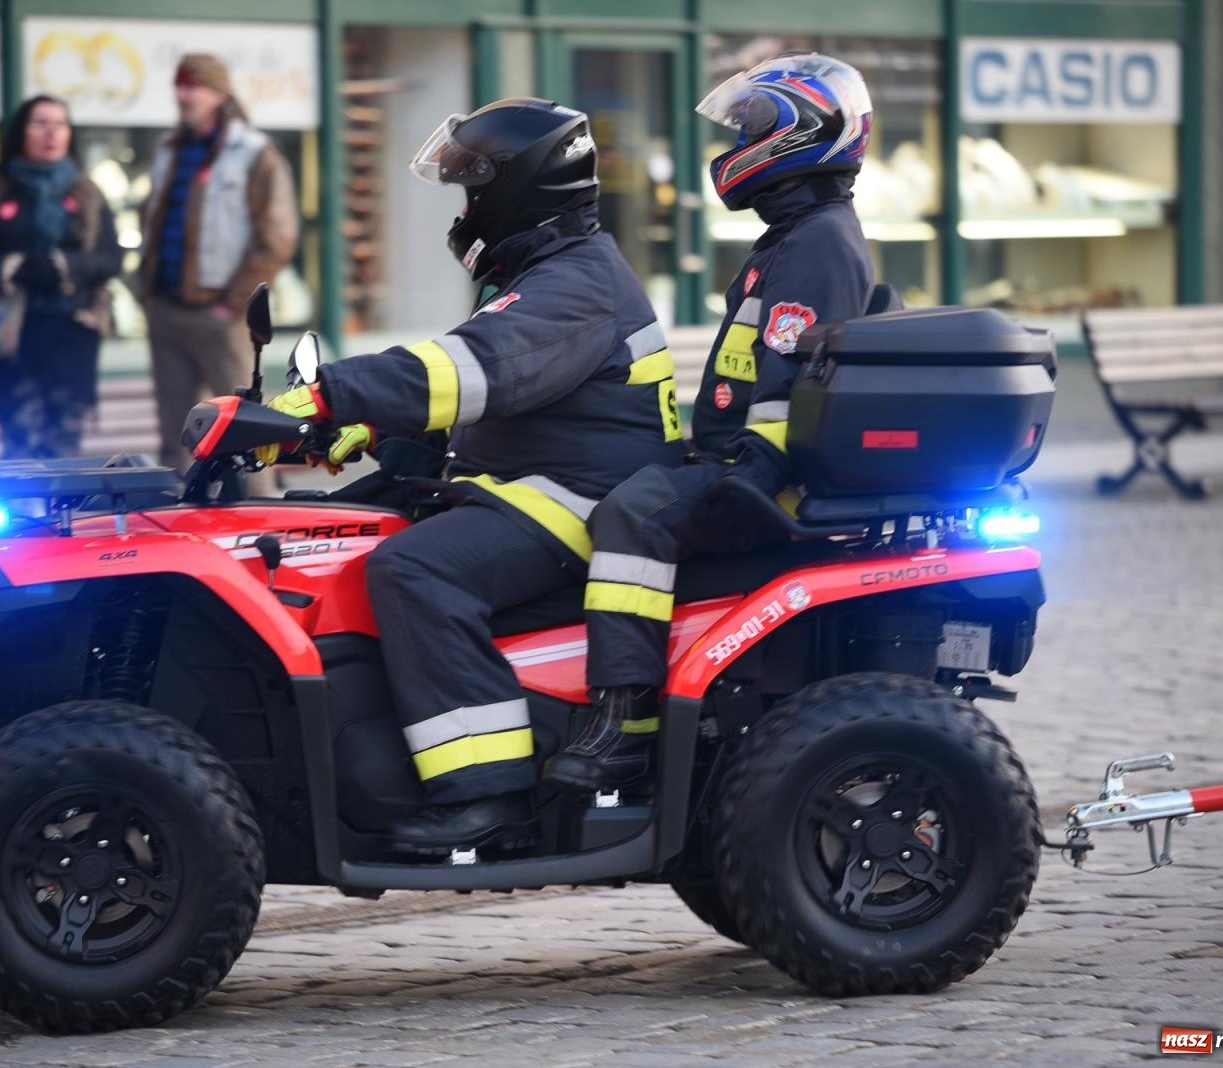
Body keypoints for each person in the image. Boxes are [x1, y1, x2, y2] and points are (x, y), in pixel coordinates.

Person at [265, 98, 686, 851]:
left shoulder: (578, 282)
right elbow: (481, 399)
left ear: (517, 187)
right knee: (331, 529)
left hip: (580, 497)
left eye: (471, 188)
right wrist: (357, 429)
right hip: (533, 478)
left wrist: (334, 389)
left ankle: (489, 794)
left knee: (416, 571)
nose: (462, 208)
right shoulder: (541, 270)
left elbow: (474, 370)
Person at [544, 52, 878, 791]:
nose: (736, 144)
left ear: (806, 133)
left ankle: (621, 721)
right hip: (730, 457)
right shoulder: (796, 235)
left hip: (764, 476)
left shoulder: (819, 242)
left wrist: (749, 473)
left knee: (635, 513)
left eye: (753, 126)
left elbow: (789, 378)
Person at [141, 53, 300, 471]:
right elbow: (153, 221)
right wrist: (148, 292)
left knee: (241, 428)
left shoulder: (253, 153)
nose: (183, 95)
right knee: (174, 431)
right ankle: (178, 519)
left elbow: (277, 236)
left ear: (218, 93)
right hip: (167, 308)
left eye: (193, 86)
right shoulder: (168, 150)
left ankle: (256, 520)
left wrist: (233, 302)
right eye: (179, 85)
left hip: (221, 315)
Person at [0, 95, 123, 459]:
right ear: (21, 132)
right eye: (40, 124)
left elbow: (111, 257)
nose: (50, 133)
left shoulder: (87, 193)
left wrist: (67, 267)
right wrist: (6, 267)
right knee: (19, 444)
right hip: (10, 335)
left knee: (64, 445)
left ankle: (62, 519)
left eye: (59, 124)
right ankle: (25, 518)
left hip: (71, 333)